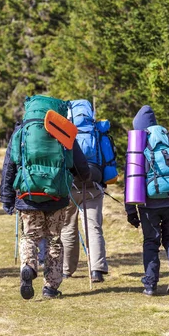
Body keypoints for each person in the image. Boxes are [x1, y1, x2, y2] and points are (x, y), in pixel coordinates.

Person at [0, 96, 91, 300]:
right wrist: (85, 177)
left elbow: (9, 167)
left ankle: (29, 267)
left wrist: (7, 198)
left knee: (30, 237)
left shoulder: (21, 131)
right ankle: (50, 287)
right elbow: (79, 164)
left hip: (27, 195)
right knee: (54, 240)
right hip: (57, 196)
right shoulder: (62, 129)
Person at [125, 105, 169, 296]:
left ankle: (150, 284)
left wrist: (131, 211)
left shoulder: (138, 145)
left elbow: (131, 179)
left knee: (151, 242)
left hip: (149, 204)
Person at [60, 100, 110, 282]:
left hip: (70, 184)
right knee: (93, 226)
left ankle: (66, 269)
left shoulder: (65, 130)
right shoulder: (97, 130)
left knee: (67, 227)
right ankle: (96, 269)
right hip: (93, 182)